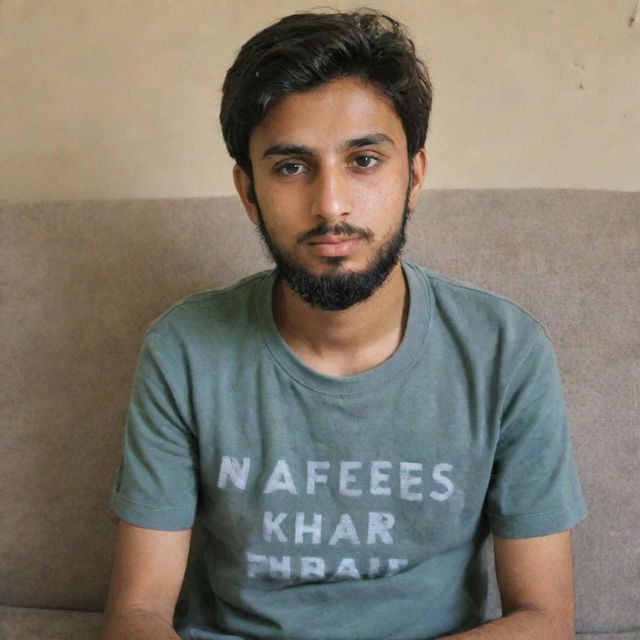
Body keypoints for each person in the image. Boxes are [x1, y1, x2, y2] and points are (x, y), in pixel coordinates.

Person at [102, 9, 586, 640]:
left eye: (363, 160)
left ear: (413, 176)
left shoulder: (505, 350)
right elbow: (137, 613)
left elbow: (546, 619)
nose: (331, 204)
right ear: (248, 193)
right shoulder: (183, 349)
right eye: (290, 167)